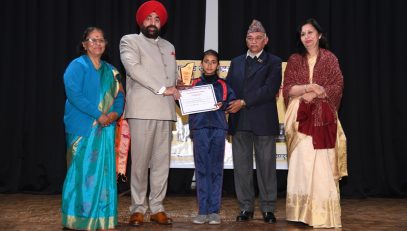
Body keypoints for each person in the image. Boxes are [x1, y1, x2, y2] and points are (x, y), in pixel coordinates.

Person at [119, 0, 180, 226]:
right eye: (148, 18)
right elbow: (134, 69)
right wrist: (164, 89)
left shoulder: (169, 46)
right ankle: (137, 207)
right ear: (141, 21)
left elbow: (171, 79)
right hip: (142, 110)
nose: (152, 22)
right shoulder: (130, 41)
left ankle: (157, 207)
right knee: (140, 163)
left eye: (157, 19)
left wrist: (178, 90)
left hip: (165, 111)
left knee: (161, 163)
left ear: (161, 23)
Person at [283, 18, 347, 228]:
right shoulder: (294, 59)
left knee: (321, 167)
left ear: (319, 35)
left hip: (323, 119)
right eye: (302, 34)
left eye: (310, 33)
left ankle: (321, 215)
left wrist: (319, 93)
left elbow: (337, 87)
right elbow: (288, 89)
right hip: (299, 118)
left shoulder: (330, 59)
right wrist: (309, 88)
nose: (306, 37)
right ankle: (300, 213)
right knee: (302, 164)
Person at [61, 26, 124, 230]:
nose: (98, 43)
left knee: (103, 173)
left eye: (101, 40)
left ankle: (103, 217)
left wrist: (114, 114)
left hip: (106, 128)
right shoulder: (77, 66)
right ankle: (77, 218)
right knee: (81, 173)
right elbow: (74, 95)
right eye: (93, 40)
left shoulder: (112, 71)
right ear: (84, 44)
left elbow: (120, 96)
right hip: (82, 127)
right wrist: (99, 115)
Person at [226, 19, 282, 224]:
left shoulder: (274, 62)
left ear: (266, 40)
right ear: (245, 40)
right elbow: (229, 88)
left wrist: (244, 101)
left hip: (263, 121)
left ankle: (268, 208)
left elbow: (269, 90)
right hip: (239, 120)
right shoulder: (236, 61)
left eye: (258, 38)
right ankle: (246, 207)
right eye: (250, 38)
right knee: (242, 168)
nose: (254, 41)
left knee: (267, 166)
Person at [188, 50, 236, 225]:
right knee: (201, 169)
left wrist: (224, 105)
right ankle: (202, 211)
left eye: (213, 61)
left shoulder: (223, 85)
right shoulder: (192, 84)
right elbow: (183, 102)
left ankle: (214, 211)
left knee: (216, 169)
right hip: (199, 129)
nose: (209, 65)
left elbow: (232, 103)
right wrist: (180, 93)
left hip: (218, 129)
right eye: (206, 61)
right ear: (201, 64)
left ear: (218, 65)